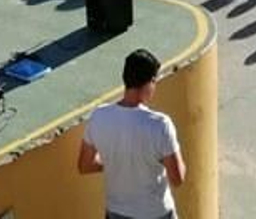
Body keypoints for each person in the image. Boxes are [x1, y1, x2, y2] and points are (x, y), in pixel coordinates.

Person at [78, 48, 186, 219]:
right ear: (149, 83)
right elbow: (177, 178)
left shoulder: (99, 116)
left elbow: (85, 166)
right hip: (156, 213)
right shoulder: (160, 125)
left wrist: (116, 161)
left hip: (116, 213)